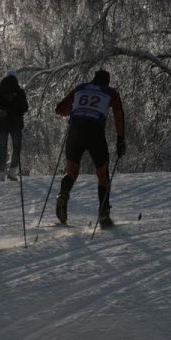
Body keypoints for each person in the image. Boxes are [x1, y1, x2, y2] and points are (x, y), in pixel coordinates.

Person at [54, 68, 125, 228]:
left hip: (75, 129)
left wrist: (68, 109)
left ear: (93, 79)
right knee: (102, 173)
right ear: (107, 81)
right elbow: (119, 115)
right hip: (95, 131)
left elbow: (61, 110)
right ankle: (104, 213)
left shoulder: (81, 88)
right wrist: (120, 140)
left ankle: (63, 195)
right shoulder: (111, 92)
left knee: (71, 171)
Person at [0, 71, 29, 181]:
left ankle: (1, 174)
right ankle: (12, 172)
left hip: (2, 123)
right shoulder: (19, 92)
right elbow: (25, 107)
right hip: (16, 123)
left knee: (2, 148)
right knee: (16, 147)